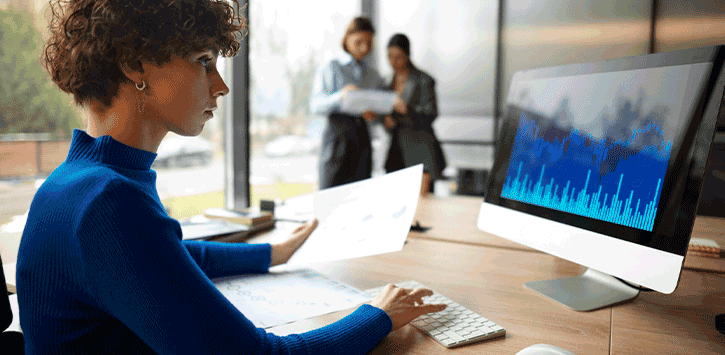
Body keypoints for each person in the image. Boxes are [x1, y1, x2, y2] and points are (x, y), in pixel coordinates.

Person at [16, 1, 446, 354]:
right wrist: (379, 314)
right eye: (204, 62)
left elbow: (171, 257)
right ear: (135, 65)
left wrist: (272, 254)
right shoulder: (107, 203)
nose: (220, 85)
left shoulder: (74, 181)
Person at [310, 17, 386, 189]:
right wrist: (341, 96)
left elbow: (380, 111)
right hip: (337, 141)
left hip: (362, 141)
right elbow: (316, 105)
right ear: (347, 39)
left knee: (361, 197)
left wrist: (374, 114)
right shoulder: (332, 66)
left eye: (369, 43)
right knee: (330, 196)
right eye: (359, 41)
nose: (364, 48)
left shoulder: (373, 75)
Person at [383, 34, 447, 196]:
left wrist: (407, 110)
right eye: (389, 57)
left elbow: (431, 113)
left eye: (398, 57)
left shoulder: (424, 80)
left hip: (420, 152)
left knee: (422, 208)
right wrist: (385, 120)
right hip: (395, 153)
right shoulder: (386, 82)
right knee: (394, 204)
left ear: (407, 55)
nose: (393, 62)